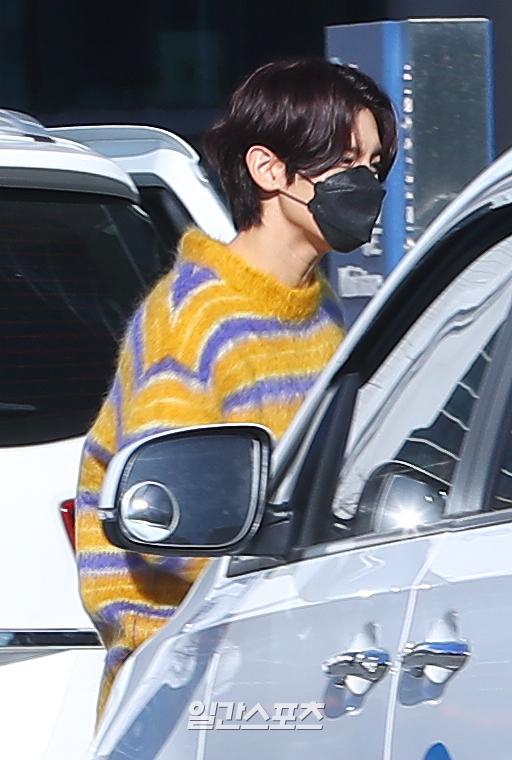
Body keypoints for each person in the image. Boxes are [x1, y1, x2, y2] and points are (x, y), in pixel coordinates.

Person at [75, 57, 397, 727]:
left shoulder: (321, 313)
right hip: (187, 691)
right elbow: (166, 522)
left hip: (292, 670)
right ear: (269, 169)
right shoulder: (195, 318)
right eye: (344, 162)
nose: (365, 185)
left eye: (375, 164)